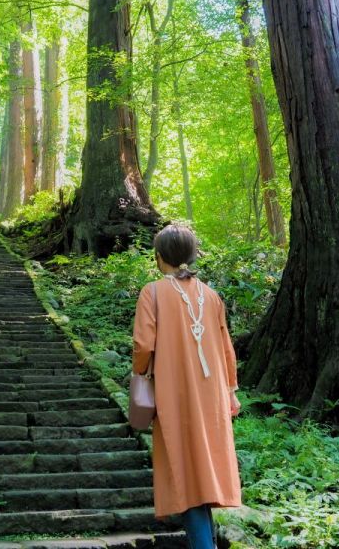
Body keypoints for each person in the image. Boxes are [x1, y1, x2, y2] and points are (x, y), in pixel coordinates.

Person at [132, 224, 242, 549]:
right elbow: (226, 350)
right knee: (204, 472)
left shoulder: (151, 293)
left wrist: (141, 374)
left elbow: (142, 346)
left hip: (174, 394)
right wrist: (231, 391)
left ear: (159, 256)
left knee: (187, 471)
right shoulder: (211, 295)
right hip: (212, 396)